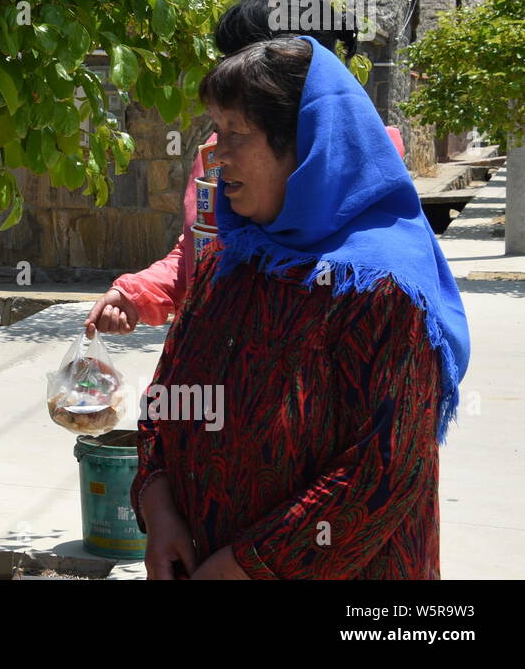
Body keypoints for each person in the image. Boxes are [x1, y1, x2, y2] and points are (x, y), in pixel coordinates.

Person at [132, 35, 470, 579]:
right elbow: (167, 396)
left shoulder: (380, 287)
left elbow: (384, 472)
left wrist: (249, 565)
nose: (216, 153)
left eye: (237, 133)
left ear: (308, 146)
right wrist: (159, 504)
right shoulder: (230, 256)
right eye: (216, 130)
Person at [86, 0, 407, 337]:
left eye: (239, 62)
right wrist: (137, 292)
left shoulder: (369, 179)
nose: (226, 74)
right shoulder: (217, 153)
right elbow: (200, 250)